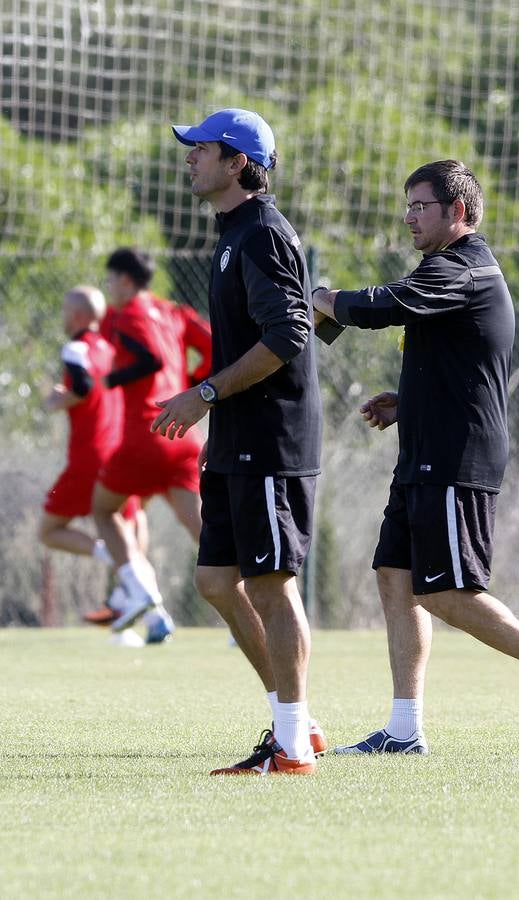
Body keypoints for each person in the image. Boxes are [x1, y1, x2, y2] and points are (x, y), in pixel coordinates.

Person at [312, 159, 519, 756]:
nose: (409, 216)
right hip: (422, 449)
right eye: (409, 204)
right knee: (394, 575)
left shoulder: (464, 268)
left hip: (455, 457)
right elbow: (452, 358)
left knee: (446, 592)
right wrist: (408, 402)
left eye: (421, 205)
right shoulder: (442, 271)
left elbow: (385, 305)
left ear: (458, 213)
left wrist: (326, 299)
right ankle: (403, 729)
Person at [151, 107, 325, 775]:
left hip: (270, 437)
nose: (189, 157)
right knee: (218, 581)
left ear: (237, 162)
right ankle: (297, 720)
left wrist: (204, 393)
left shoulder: (261, 235)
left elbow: (288, 336)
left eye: (202, 148)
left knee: (273, 584)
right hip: (236, 436)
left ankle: (289, 745)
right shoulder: (233, 235)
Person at [92, 248, 208, 644]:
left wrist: (108, 381)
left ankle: (137, 594)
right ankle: (255, 605)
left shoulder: (126, 315)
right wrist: (192, 386)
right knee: (205, 533)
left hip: (143, 436)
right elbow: (214, 347)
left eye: (110, 281)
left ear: (125, 281)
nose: (108, 288)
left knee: (105, 510)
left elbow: (151, 358)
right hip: (180, 435)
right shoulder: (173, 311)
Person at [38, 286, 148, 625]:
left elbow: (82, 387)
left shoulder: (75, 347)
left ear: (75, 315)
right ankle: (141, 607)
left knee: (48, 530)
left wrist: (58, 400)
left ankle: (113, 562)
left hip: (89, 457)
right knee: (130, 524)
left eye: (65, 310)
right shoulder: (111, 349)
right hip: (118, 453)